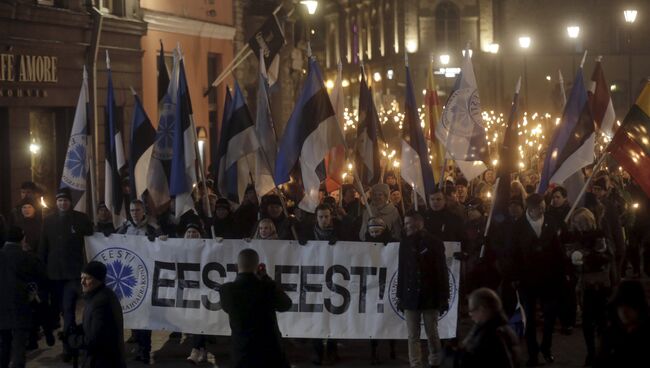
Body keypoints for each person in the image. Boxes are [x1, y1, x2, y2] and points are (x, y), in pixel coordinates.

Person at [39, 187, 94, 362]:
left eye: (66, 200)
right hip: (54, 274)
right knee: (56, 311)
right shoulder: (48, 221)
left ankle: (69, 347)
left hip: (72, 274)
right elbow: (43, 246)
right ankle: (60, 336)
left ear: (70, 202)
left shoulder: (80, 219)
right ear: (56, 202)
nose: (63, 203)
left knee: (68, 310)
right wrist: (41, 269)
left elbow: (92, 236)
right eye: (60, 200)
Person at [511, 193, 564, 366]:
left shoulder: (550, 221)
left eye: (543, 207)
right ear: (530, 209)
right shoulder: (518, 227)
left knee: (550, 316)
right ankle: (532, 353)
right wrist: (515, 277)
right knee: (530, 319)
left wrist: (562, 272)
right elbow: (513, 254)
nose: (542, 210)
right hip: (527, 280)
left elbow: (558, 249)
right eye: (539, 208)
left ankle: (546, 348)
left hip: (548, 279)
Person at [220, 248, 292, 368]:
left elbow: (227, 308)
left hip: (242, 353)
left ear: (237, 266)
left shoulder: (226, 290)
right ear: (258, 266)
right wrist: (265, 277)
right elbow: (286, 304)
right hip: (271, 353)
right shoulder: (267, 287)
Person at [397, 211, 449, 368]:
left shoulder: (435, 243)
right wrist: (400, 295)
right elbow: (402, 270)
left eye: (409, 223)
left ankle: (435, 360)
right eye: (405, 224)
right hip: (410, 295)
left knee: (432, 333)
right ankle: (416, 363)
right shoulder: (404, 243)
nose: (406, 227)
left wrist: (443, 297)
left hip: (430, 295)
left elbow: (442, 271)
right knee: (413, 335)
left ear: (419, 223)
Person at [564, 208, 614, 366]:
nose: (579, 226)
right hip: (584, 286)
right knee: (587, 322)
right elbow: (568, 254)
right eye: (576, 223)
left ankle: (602, 351)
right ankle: (591, 352)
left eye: (581, 222)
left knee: (601, 321)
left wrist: (588, 257)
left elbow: (607, 256)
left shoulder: (599, 235)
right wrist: (571, 257)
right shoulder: (575, 237)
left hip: (599, 285)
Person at [116, 199, 159, 364]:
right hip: (128, 277)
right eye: (132, 210)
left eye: (138, 210)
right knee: (134, 313)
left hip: (146, 276)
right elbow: (112, 241)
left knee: (144, 316)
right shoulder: (124, 228)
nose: (134, 213)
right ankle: (138, 344)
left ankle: (145, 350)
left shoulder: (152, 227)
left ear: (143, 211)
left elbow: (163, 244)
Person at [0, 227, 46, 368]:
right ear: (23, 238)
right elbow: (40, 272)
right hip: (20, 303)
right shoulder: (25, 255)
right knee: (19, 343)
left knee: (3, 343)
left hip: (1, 306)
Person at [66, 261, 126, 368]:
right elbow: (96, 327)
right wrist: (77, 329)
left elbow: (94, 339)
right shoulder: (100, 296)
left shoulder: (100, 302)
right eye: (81, 278)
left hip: (103, 362)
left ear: (98, 280)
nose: (82, 282)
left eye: (87, 278)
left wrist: (73, 340)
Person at [363, 217, 397, 364]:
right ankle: (373, 351)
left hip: (389, 286)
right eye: (372, 232)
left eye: (378, 231)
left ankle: (392, 348)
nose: (375, 235)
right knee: (374, 321)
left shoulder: (395, 244)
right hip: (372, 288)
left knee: (390, 318)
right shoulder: (364, 246)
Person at [459, 288, 522, 368]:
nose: (470, 314)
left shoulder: (490, 337)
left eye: (472, 310)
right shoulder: (504, 329)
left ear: (482, 309)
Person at [598, 280, 650, 367]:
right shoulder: (610, 334)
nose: (624, 311)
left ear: (639, 307)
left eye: (629, 305)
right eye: (620, 305)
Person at [184, 223, 213, 364]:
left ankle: (195, 350)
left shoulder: (207, 247)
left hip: (204, 290)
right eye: (189, 232)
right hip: (188, 290)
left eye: (194, 232)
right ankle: (201, 349)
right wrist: (163, 240)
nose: (191, 235)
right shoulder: (180, 247)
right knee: (196, 320)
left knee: (199, 318)